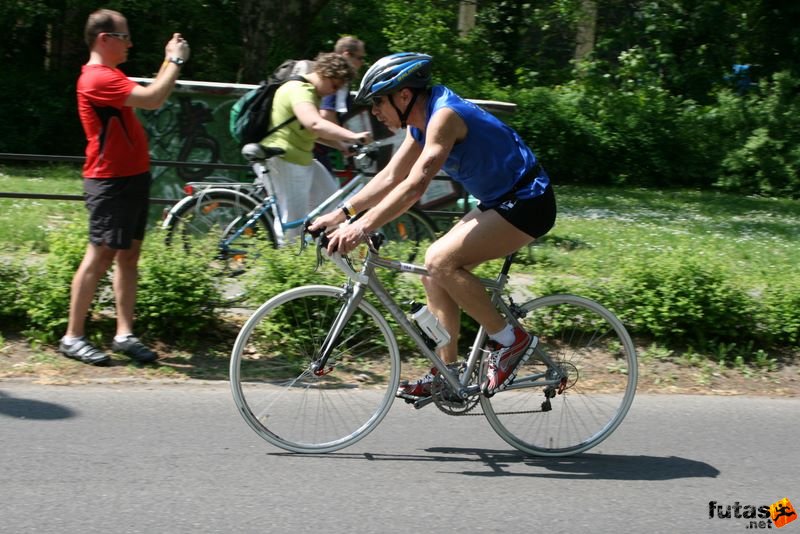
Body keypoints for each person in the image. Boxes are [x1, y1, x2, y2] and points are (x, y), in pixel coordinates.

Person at [310, 52, 557, 398]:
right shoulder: (419, 121)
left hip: (529, 202)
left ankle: (510, 341)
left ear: (404, 95)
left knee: (440, 260)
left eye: (378, 102)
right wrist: (341, 214)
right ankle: (446, 373)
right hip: (500, 202)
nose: (376, 112)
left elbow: (415, 184)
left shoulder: (444, 116)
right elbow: (393, 175)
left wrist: (361, 227)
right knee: (432, 271)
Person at [59, 9, 191, 365]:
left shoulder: (110, 74)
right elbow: (153, 99)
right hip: (109, 181)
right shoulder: (96, 78)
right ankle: (72, 337)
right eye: (124, 36)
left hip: (131, 177)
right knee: (99, 256)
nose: (130, 43)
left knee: (128, 257)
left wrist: (169, 63)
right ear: (104, 38)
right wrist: (174, 60)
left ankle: (124, 334)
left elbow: (150, 93)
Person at [260, 52, 372, 241]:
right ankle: (285, 265)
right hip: (285, 159)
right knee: (293, 225)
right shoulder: (299, 89)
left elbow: (313, 132)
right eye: (334, 86)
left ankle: (328, 255)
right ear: (324, 73)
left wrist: (342, 146)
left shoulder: (311, 93)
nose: (333, 92)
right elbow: (315, 124)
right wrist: (354, 136)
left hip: (302, 159)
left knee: (333, 206)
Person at [314, 36, 368, 173]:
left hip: (316, 144)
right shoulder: (335, 79)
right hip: (313, 148)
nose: (362, 63)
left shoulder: (331, 77)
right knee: (327, 192)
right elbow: (326, 115)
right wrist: (349, 141)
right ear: (346, 54)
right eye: (360, 58)